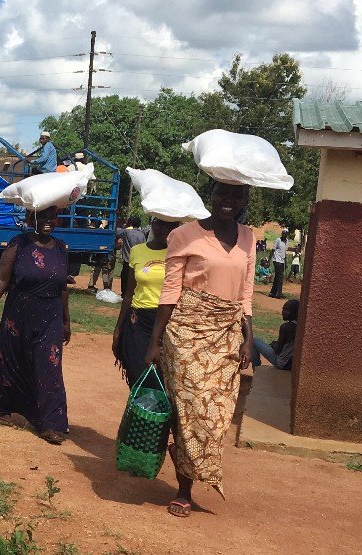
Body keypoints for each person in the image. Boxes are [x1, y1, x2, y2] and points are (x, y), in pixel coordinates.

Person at [144, 179, 256, 517]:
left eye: (236, 195)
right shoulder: (184, 236)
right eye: (222, 192)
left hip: (226, 336)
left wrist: (248, 339)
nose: (228, 200)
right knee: (190, 412)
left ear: (243, 200)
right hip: (186, 335)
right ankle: (184, 489)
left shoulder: (249, 237)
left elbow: (246, 293)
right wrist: (154, 342)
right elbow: (170, 292)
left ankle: (194, 472)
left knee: (216, 416)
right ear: (211, 195)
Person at [0, 205, 71, 445]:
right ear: (32, 219)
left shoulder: (61, 248)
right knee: (12, 360)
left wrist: (66, 321)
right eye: (43, 217)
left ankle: (50, 423)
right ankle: (5, 406)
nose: (49, 221)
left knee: (49, 367)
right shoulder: (19, 244)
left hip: (50, 316)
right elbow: (2, 277)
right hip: (18, 314)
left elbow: (62, 288)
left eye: (53, 217)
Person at [113, 217, 179, 389]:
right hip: (138, 321)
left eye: (171, 225)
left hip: (169, 322)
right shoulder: (137, 251)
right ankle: (140, 415)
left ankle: (162, 415)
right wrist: (118, 329)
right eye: (160, 223)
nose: (165, 228)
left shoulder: (179, 254)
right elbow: (128, 294)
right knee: (139, 372)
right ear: (152, 224)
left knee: (164, 377)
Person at [253, 299, 299, 370]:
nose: (283, 312)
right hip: (291, 364)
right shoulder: (300, 326)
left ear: (294, 313)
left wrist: (275, 345)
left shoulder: (286, 327)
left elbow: (277, 350)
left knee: (253, 340)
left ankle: (256, 368)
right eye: (283, 309)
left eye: (287, 310)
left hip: (282, 363)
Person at [116, 216, 149, 294]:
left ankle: (124, 293)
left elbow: (117, 233)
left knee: (125, 277)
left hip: (127, 260)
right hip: (137, 261)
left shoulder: (127, 232)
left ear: (131, 224)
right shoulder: (142, 235)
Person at [269, 230, 289, 298]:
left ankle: (272, 293)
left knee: (277, 277)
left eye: (285, 234)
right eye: (282, 233)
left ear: (287, 235)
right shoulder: (278, 240)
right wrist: (268, 261)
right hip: (276, 260)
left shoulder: (287, 241)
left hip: (282, 261)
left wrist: (286, 262)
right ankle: (279, 293)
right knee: (280, 277)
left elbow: (284, 253)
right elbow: (273, 250)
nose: (283, 235)